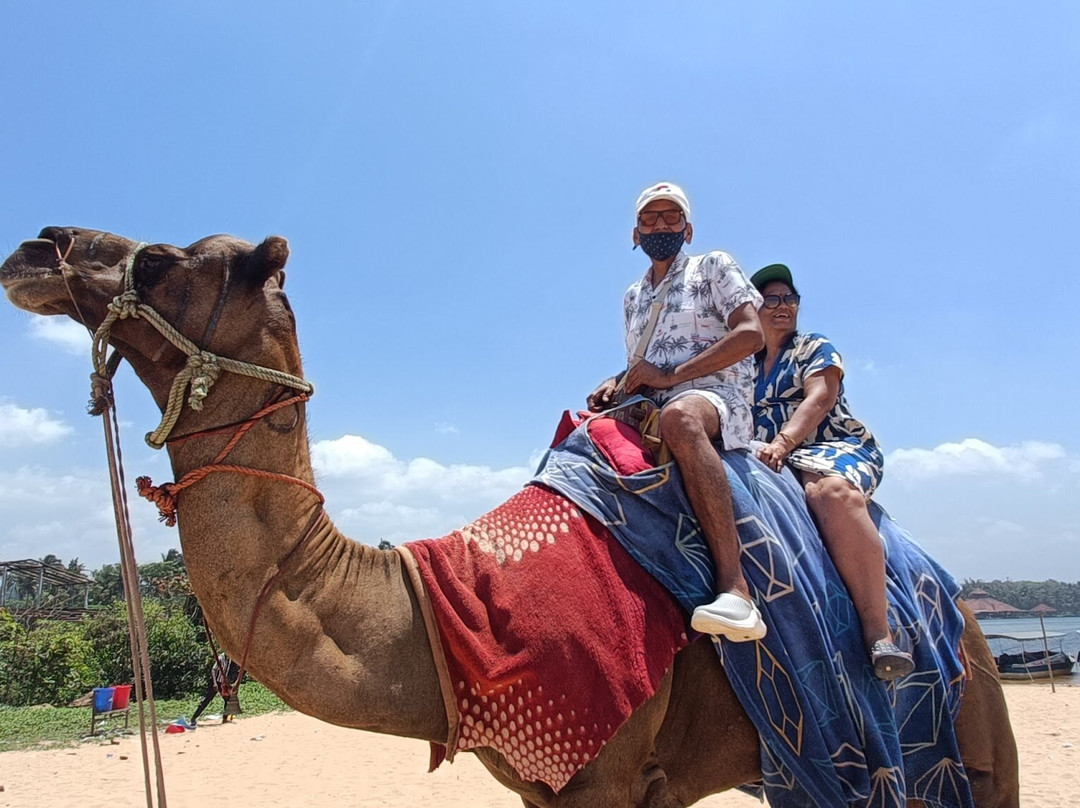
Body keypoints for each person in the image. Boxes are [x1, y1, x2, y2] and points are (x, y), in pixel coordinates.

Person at [588, 181, 767, 641]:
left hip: (715, 395)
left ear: (688, 230)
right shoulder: (633, 296)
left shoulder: (713, 266)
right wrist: (616, 381)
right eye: (650, 219)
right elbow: (644, 360)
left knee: (680, 419)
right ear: (635, 234)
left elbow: (750, 334)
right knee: (582, 434)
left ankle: (735, 588)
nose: (660, 226)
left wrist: (671, 378)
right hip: (652, 398)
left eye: (671, 218)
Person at [749, 263, 914, 680]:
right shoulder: (744, 367)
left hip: (828, 446)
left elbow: (820, 397)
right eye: (771, 299)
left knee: (830, 495)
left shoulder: (814, 347)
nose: (782, 305)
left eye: (789, 298)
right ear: (754, 308)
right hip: (765, 454)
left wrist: (784, 443)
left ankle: (880, 632)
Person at [189, 652, 242, 726]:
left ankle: (225, 719)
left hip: (222, 682)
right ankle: (193, 718)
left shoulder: (229, 659)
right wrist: (214, 683)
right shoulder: (220, 658)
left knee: (228, 699)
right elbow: (213, 670)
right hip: (215, 682)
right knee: (207, 700)